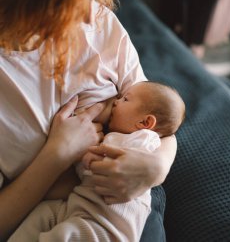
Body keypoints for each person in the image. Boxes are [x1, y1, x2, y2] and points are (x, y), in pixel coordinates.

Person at [0, 0, 177, 241]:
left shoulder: (99, 23)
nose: (88, 17)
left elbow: (158, 119)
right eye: (75, 3)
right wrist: (57, 154)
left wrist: (156, 167)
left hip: (126, 201)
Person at [8, 81, 185, 241]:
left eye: (125, 99)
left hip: (105, 225)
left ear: (145, 122)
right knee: (44, 214)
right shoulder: (127, 138)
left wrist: (82, 154)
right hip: (81, 207)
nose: (115, 101)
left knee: (63, 236)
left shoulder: (142, 140)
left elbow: (96, 163)